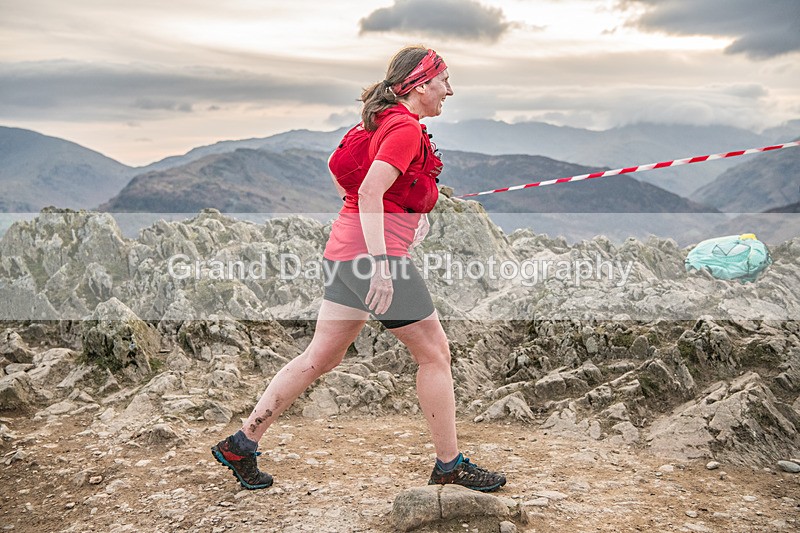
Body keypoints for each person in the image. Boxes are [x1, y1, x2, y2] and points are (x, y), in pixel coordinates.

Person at [212, 45, 507, 493]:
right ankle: (449, 465)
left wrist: (388, 212)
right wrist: (383, 264)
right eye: (444, 80)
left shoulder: (377, 120)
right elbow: (370, 192)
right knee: (435, 355)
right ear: (421, 84)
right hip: (375, 259)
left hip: (343, 254)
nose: (450, 89)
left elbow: (340, 171)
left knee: (319, 358)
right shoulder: (405, 129)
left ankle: (242, 443)